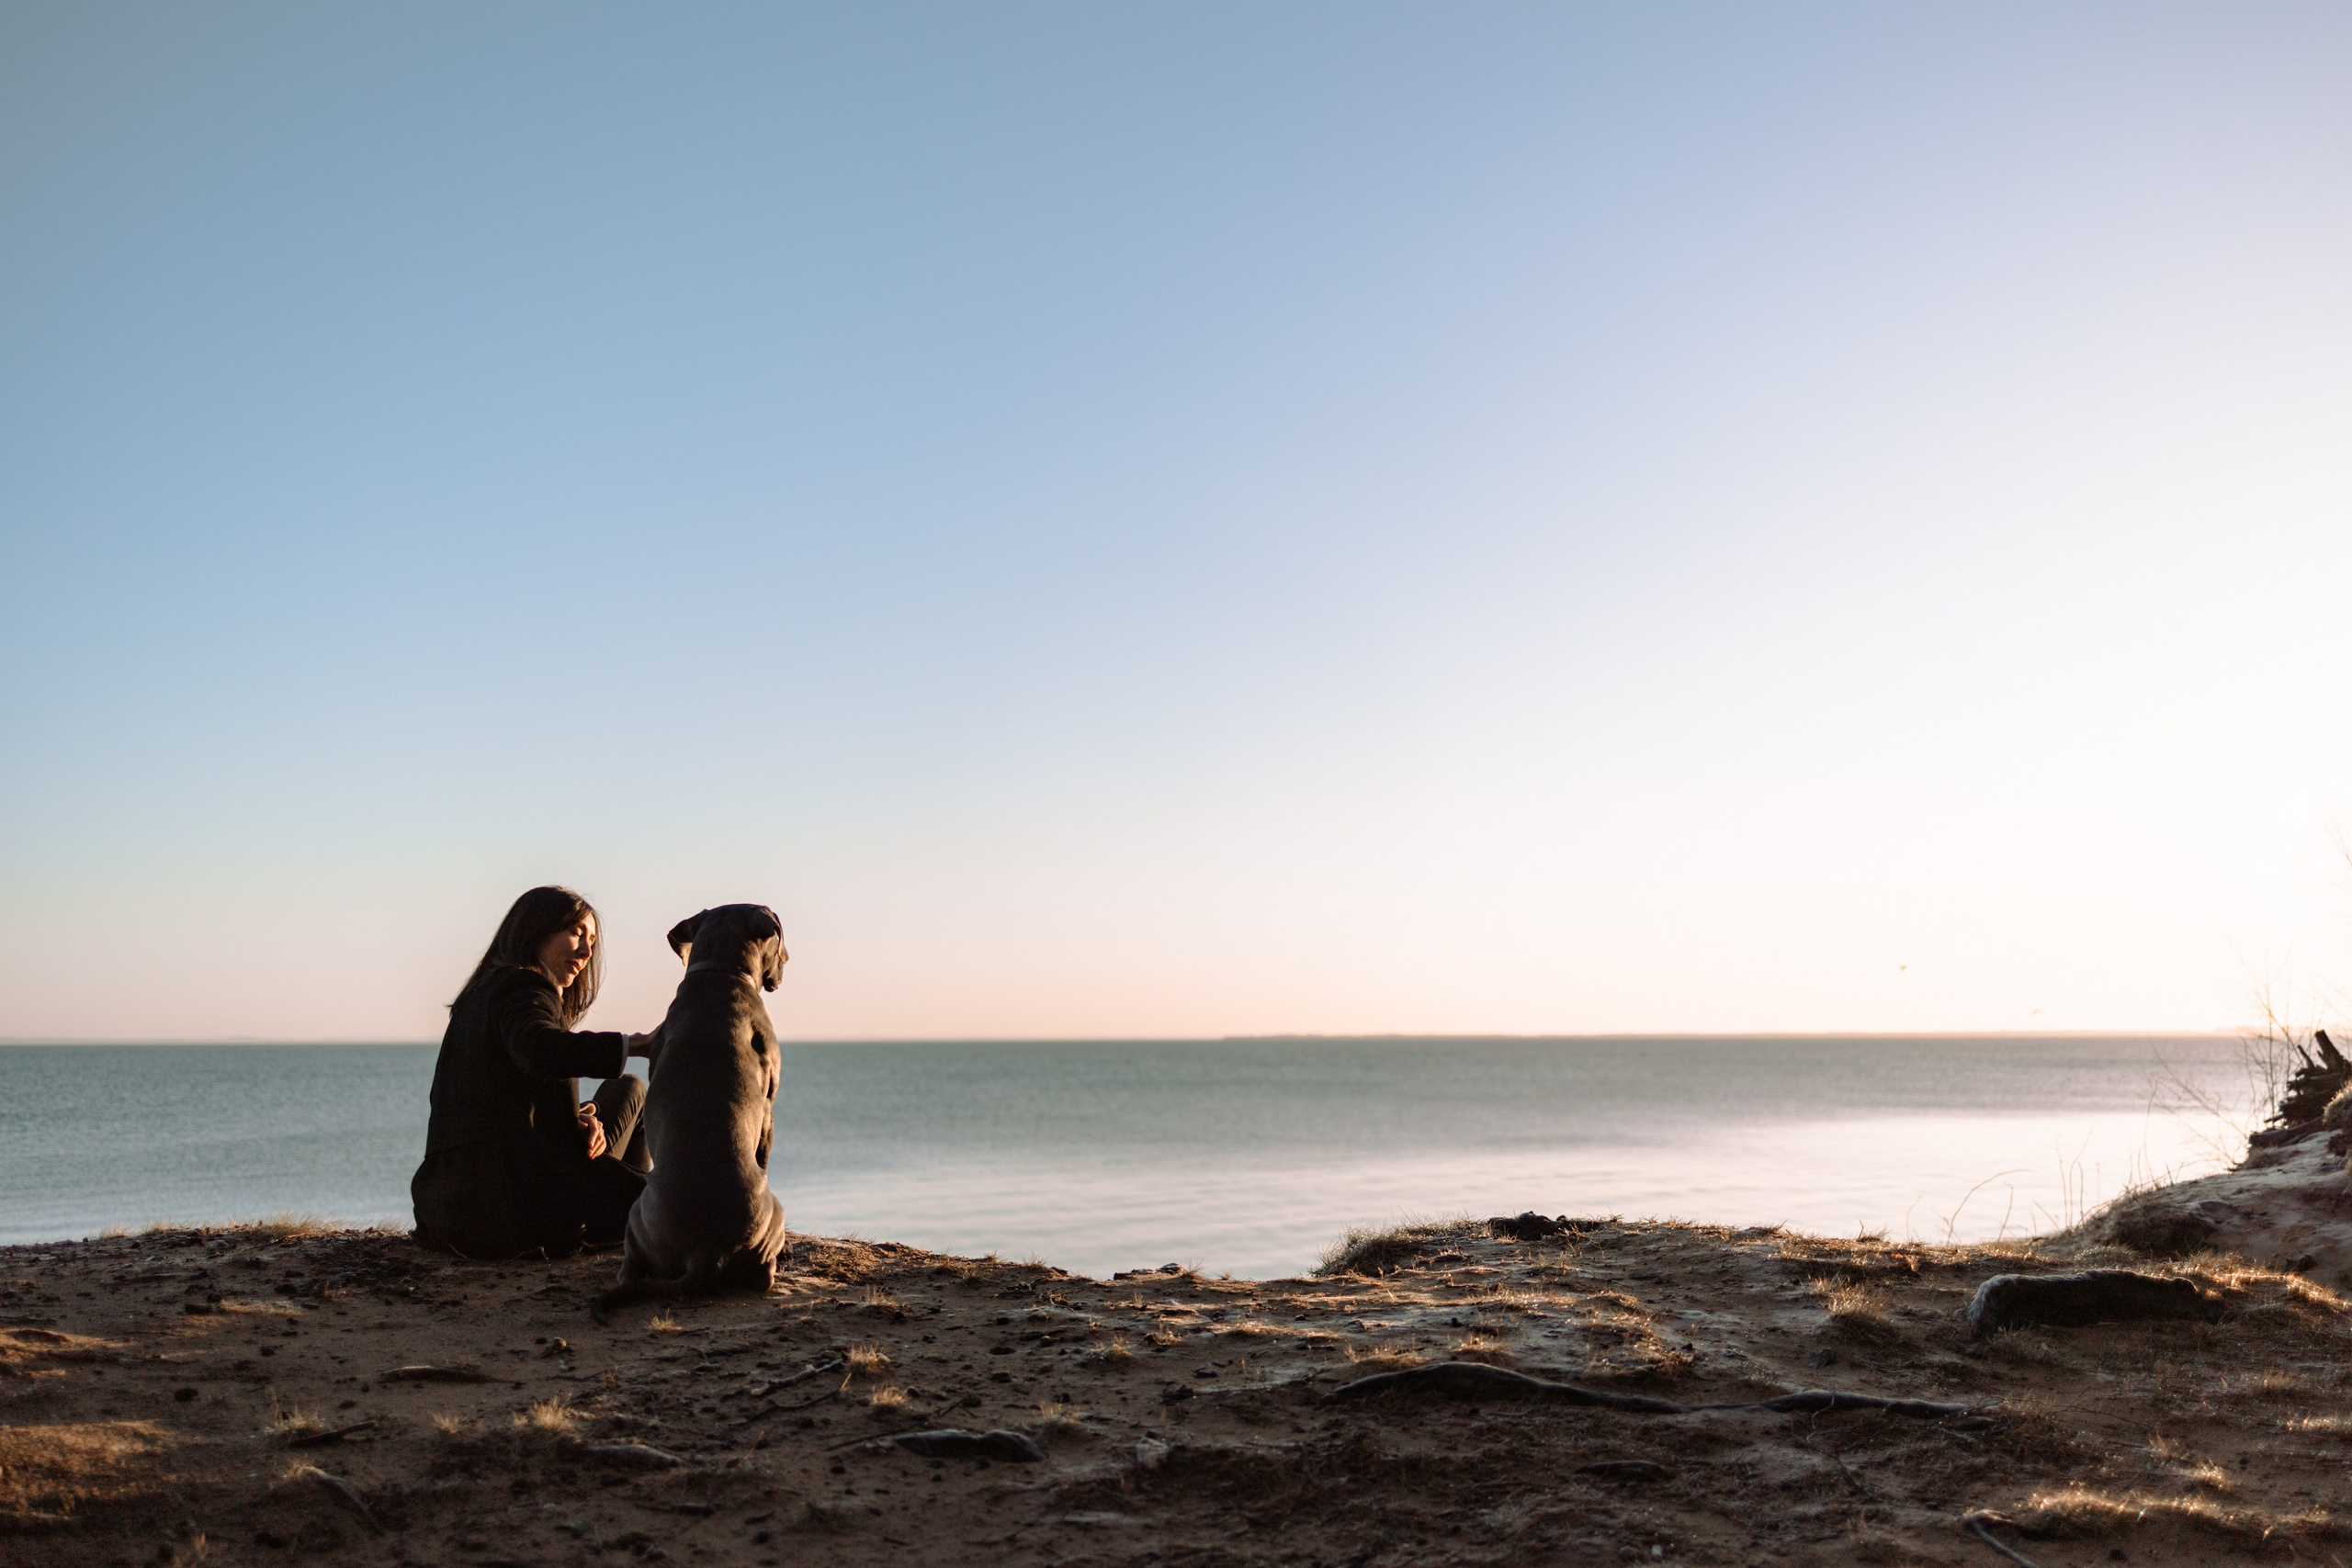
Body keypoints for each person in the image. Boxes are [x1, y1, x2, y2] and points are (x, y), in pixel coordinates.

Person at [410, 886, 661, 1258]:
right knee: (678, 1206)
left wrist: (573, 1118)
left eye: (591, 940)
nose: (587, 951)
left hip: (448, 1202)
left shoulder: (483, 994)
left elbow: (503, 1092)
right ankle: (635, 1218)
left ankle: (627, 1211)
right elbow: (540, 1049)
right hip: (509, 1206)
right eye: (576, 932)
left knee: (629, 1087)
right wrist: (637, 1044)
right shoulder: (523, 985)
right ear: (535, 930)